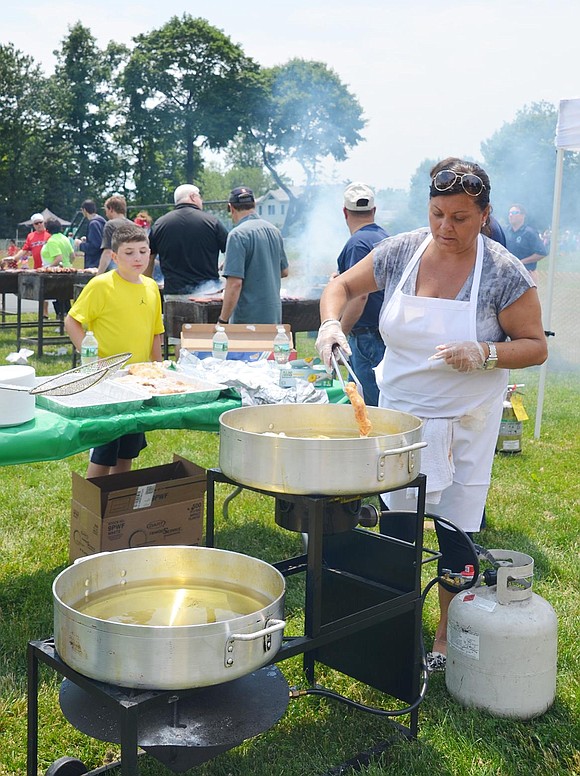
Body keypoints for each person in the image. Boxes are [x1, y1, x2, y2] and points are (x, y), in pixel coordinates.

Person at [315, 157, 547, 672]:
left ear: (484, 216)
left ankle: (446, 635)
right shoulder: (402, 250)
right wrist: (332, 324)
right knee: (398, 525)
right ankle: (397, 628)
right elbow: (343, 286)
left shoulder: (504, 272)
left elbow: (535, 347)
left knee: (454, 531)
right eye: (438, 213)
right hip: (401, 416)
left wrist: (485, 353)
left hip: (465, 420)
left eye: (461, 218)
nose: (446, 227)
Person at [65, 223, 164, 477]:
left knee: (127, 450)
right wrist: (94, 360)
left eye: (143, 251)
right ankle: (92, 506)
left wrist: (159, 367)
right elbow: (72, 321)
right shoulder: (102, 285)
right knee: (104, 451)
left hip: (138, 381)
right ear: (114, 256)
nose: (137, 258)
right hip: (107, 381)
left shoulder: (152, 287)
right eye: (129, 252)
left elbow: (156, 331)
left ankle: (117, 505)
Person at [335, 182, 388, 405]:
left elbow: (360, 296)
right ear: (374, 211)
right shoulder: (385, 237)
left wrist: (340, 334)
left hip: (366, 338)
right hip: (382, 333)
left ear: (345, 212)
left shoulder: (357, 244)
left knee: (369, 408)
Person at [218, 187, 289, 325]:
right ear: (254, 205)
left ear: (231, 208)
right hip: (273, 317)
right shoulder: (274, 231)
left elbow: (235, 284)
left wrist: (222, 320)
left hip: (247, 319)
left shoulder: (237, 235)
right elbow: (284, 271)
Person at [148, 184, 228, 295]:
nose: (201, 200)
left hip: (173, 292)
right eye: (199, 196)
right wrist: (223, 265)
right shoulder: (212, 222)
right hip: (209, 293)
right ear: (192, 196)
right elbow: (231, 251)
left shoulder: (159, 224)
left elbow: (149, 258)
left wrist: (147, 287)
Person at [505, 204, 547, 283]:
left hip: (526, 275)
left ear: (523, 215)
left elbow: (542, 253)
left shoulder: (530, 233)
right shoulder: (505, 231)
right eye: (509, 213)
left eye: (514, 212)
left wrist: (521, 262)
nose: (511, 215)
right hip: (508, 274)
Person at [97, 195, 133, 275]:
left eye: (106, 210)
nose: (106, 214)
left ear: (111, 209)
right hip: (131, 270)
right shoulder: (134, 226)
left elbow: (107, 252)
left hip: (117, 271)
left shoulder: (110, 225)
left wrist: (98, 275)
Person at [75, 199, 106, 269]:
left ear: (84, 210)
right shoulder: (101, 221)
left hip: (94, 263)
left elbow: (95, 247)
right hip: (101, 261)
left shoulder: (93, 224)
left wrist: (80, 244)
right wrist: (87, 240)